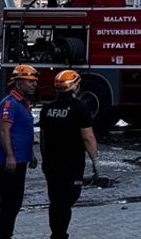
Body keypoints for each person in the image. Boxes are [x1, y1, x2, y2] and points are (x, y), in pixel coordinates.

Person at [39, 70, 99, 239]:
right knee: (68, 199)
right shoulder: (80, 108)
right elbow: (88, 137)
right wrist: (95, 161)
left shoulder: (47, 109)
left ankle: (56, 233)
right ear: (75, 86)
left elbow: (42, 137)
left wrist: (45, 160)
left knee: (56, 200)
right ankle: (60, 234)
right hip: (72, 164)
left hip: (52, 164)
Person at [0, 64, 38, 239]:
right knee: (9, 203)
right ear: (18, 82)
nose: (34, 85)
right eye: (29, 81)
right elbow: (5, 130)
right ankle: (3, 236)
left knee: (16, 202)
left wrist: (31, 154)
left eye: (35, 81)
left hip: (21, 160)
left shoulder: (23, 103)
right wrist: (10, 156)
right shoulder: (9, 104)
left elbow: (24, 131)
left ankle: (6, 234)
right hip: (10, 162)